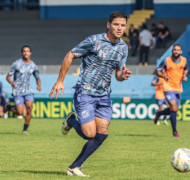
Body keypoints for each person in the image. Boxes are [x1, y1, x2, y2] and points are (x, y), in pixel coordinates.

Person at [49, 11, 131, 177]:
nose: (119, 28)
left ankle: (75, 167)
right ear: (109, 25)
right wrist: (60, 81)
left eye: (122, 25)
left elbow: (117, 74)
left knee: (102, 135)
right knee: (89, 134)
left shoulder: (123, 47)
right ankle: (71, 121)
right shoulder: (94, 41)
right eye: (116, 24)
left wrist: (122, 76)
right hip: (85, 92)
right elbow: (70, 55)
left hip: (104, 95)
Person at [6, 45, 41, 135]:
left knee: (29, 108)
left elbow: (37, 77)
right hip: (17, 91)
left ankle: (24, 130)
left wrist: (38, 85)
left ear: (30, 53)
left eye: (27, 51)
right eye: (24, 51)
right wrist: (12, 83)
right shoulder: (16, 64)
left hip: (28, 90)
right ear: (22, 53)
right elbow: (8, 76)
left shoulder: (33, 66)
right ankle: (8, 107)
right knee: (20, 113)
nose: (26, 53)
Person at [154, 44, 188, 137]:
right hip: (168, 87)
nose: (176, 51)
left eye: (178, 50)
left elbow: (186, 69)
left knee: (175, 110)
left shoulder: (184, 60)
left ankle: (160, 113)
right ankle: (175, 132)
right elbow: (158, 71)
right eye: (174, 50)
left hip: (178, 87)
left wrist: (184, 75)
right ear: (172, 51)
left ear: (181, 52)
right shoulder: (166, 60)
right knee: (173, 107)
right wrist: (164, 76)